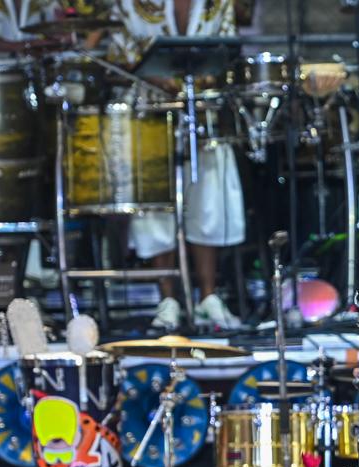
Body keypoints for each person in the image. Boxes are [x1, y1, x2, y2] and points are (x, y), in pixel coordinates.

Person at [102, 0, 244, 331]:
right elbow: (119, 56)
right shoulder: (130, 4)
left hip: (204, 113)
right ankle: (168, 300)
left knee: (208, 202)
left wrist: (204, 79)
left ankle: (208, 296)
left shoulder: (218, 3)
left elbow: (229, 49)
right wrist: (160, 78)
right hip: (150, 113)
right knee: (154, 209)